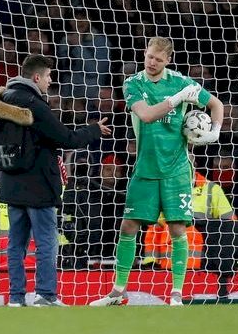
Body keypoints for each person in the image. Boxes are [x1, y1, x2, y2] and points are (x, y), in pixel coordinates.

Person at [90, 37, 224, 306]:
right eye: (150, 56)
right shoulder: (133, 83)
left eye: (159, 59)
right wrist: (176, 100)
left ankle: (176, 294)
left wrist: (214, 133)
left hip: (176, 170)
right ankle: (118, 291)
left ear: (168, 61)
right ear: (145, 53)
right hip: (145, 168)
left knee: (177, 229)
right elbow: (147, 115)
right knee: (128, 226)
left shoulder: (182, 81)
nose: (152, 63)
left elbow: (216, 105)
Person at [0, 54, 111, 307]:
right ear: (36, 77)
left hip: (11, 184)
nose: (50, 81)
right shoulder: (34, 104)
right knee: (46, 242)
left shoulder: (2, 101)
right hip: (39, 185)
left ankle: (16, 298)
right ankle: (45, 294)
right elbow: (67, 139)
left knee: (16, 245)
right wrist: (94, 129)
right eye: (48, 77)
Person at [142, 170, 238, 298]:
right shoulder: (164, 189)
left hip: (202, 267)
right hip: (168, 266)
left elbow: (230, 224)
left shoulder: (212, 189)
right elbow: (155, 228)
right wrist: (151, 260)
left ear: (193, 166)